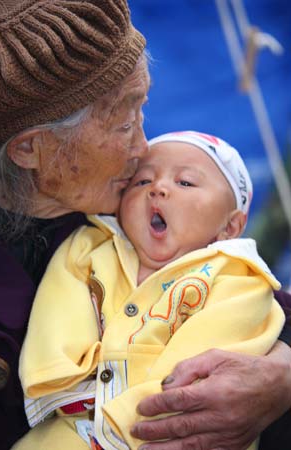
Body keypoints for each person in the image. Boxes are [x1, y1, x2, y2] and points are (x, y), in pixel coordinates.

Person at [0, 1, 290, 449]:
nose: (143, 146)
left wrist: (281, 377)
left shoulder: (135, 209)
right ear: (30, 149)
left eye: (142, 110)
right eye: (124, 121)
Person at [15, 131, 285, 450]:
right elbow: (58, 309)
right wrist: (60, 372)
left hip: (176, 430)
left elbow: (204, 356)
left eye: (185, 182)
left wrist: (141, 412)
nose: (158, 188)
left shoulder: (239, 278)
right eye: (142, 182)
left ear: (230, 226)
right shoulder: (89, 247)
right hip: (75, 421)